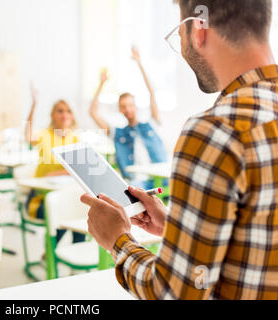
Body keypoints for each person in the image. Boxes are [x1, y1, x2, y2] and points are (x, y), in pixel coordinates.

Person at [82, 0, 278, 299]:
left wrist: (118, 239)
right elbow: (259, 243)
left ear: (198, 29)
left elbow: (175, 292)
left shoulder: (214, 131)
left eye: (179, 34)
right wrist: (179, 228)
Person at [89, 47, 168, 187]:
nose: (127, 109)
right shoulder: (118, 133)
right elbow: (93, 112)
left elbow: (152, 93)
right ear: (120, 110)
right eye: (123, 106)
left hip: (160, 180)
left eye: (130, 105)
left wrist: (139, 63)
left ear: (135, 106)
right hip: (136, 182)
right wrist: (101, 84)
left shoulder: (151, 124)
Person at [24, 85, 85, 244]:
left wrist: (55, 174)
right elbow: (28, 136)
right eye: (60, 111)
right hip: (41, 199)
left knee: (78, 208)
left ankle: (74, 251)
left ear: (72, 116)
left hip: (66, 193)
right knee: (67, 209)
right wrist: (34, 105)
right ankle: (53, 252)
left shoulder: (75, 138)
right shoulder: (45, 134)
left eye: (68, 111)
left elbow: (78, 170)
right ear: (52, 115)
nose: (64, 114)